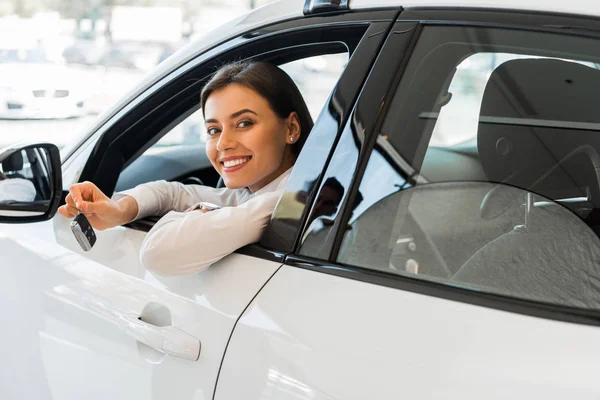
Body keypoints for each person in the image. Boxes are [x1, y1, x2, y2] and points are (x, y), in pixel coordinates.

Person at [58, 61, 313, 275]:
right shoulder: (260, 192)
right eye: (214, 130)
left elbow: (157, 253)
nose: (223, 143)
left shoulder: (289, 202)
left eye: (244, 123)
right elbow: (175, 193)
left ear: (290, 129)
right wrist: (119, 209)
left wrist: (198, 214)